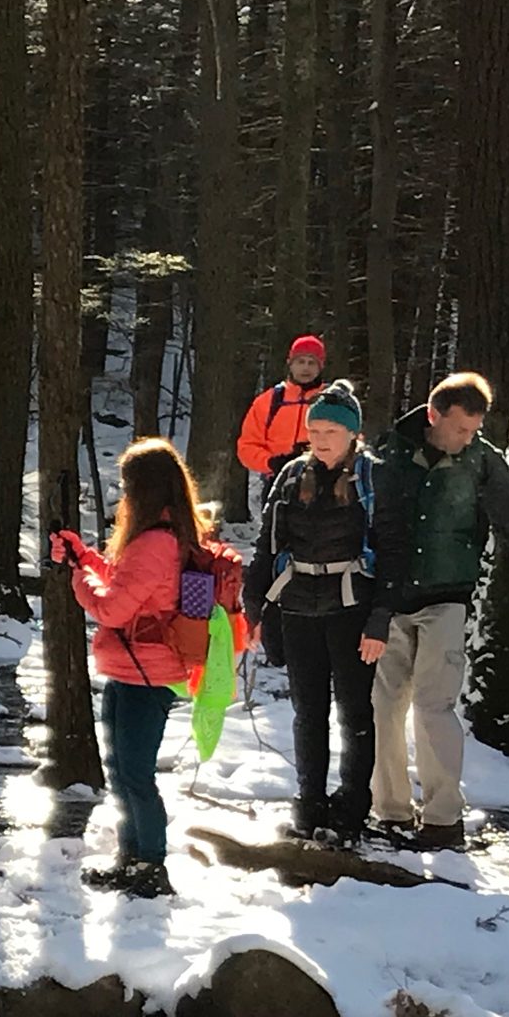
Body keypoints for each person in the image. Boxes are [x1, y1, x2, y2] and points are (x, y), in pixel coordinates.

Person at [364, 371, 509, 851]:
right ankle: (389, 812)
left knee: (434, 707)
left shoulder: (483, 463)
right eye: (459, 430)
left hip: (447, 597)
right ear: (434, 416)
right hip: (389, 599)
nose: (466, 439)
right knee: (386, 708)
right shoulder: (389, 456)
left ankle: (442, 820)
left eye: (473, 430)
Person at [52, 438, 213, 900]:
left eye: (127, 485)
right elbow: (126, 584)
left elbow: (111, 610)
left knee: (136, 774)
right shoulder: (162, 537)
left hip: (148, 674)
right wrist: (85, 557)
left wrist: (77, 577)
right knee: (122, 770)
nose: (123, 495)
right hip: (133, 670)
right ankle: (131, 859)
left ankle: (151, 866)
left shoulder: (155, 543)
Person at [245, 382, 378, 842]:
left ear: (353, 434)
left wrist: (380, 620)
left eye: (332, 431)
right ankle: (309, 802)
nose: (321, 439)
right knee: (308, 711)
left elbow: (394, 552)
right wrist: (254, 605)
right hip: (298, 606)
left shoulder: (372, 478)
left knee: (355, 713)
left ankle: (353, 809)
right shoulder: (290, 476)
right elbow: (267, 544)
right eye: (315, 429)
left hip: (351, 610)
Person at [237, 333, 329, 488]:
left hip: (323, 481)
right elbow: (247, 446)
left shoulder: (331, 400)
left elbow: (351, 441)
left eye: (312, 363)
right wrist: (271, 463)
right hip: (278, 482)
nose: (305, 368)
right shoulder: (268, 401)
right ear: (290, 363)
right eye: (300, 361)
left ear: (321, 367)